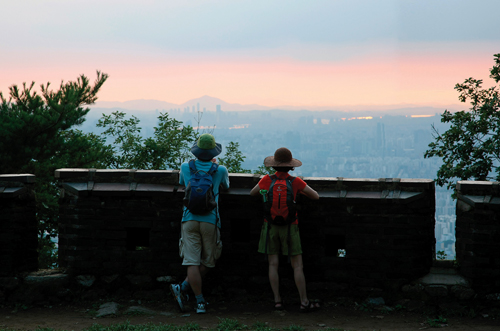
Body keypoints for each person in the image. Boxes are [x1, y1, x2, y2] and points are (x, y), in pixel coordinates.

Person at [250, 147, 320, 312]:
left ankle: (277, 301)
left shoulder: (267, 180)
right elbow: (315, 196)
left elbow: (253, 193)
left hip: (270, 226)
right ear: (291, 166)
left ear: (274, 165)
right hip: (291, 227)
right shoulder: (295, 182)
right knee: (297, 266)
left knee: (273, 264)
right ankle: (303, 301)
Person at [170, 133, 230, 314]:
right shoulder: (219, 170)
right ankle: (189, 292)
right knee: (209, 262)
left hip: (189, 219)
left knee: (192, 261)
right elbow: (226, 187)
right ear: (213, 152)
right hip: (210, 221)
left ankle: (196, 299)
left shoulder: (185, 167)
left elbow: (182, 182)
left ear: (196, 152)